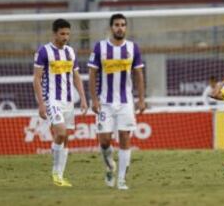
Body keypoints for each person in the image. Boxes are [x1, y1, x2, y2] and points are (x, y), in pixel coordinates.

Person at [88, 13, 146, 190]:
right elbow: (92, 74)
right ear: (111, 27)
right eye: (117, 25)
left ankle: (121, 179)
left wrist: (141, 99)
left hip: (126, 102)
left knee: (125, 138)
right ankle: (110, 166)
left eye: (123, 25)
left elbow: (139, 75)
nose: (120, 28)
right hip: (105, 102)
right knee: (104, 140)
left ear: (125, 28)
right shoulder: (100, 47)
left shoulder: (132, 48)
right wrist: (94, 99)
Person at [33, 18, 88, 187]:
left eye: (68, 34)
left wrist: (84, 99)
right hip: (51, 99)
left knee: (65, 138)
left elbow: (76, 76)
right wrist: (41, 104)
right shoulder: (43, 51)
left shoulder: (71, 52)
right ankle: (55, 172)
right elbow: (37, 78)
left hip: (68, 101)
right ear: (54, 33)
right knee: (61, 133)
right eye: (62, 34)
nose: (65, 37)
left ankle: (60, 177)